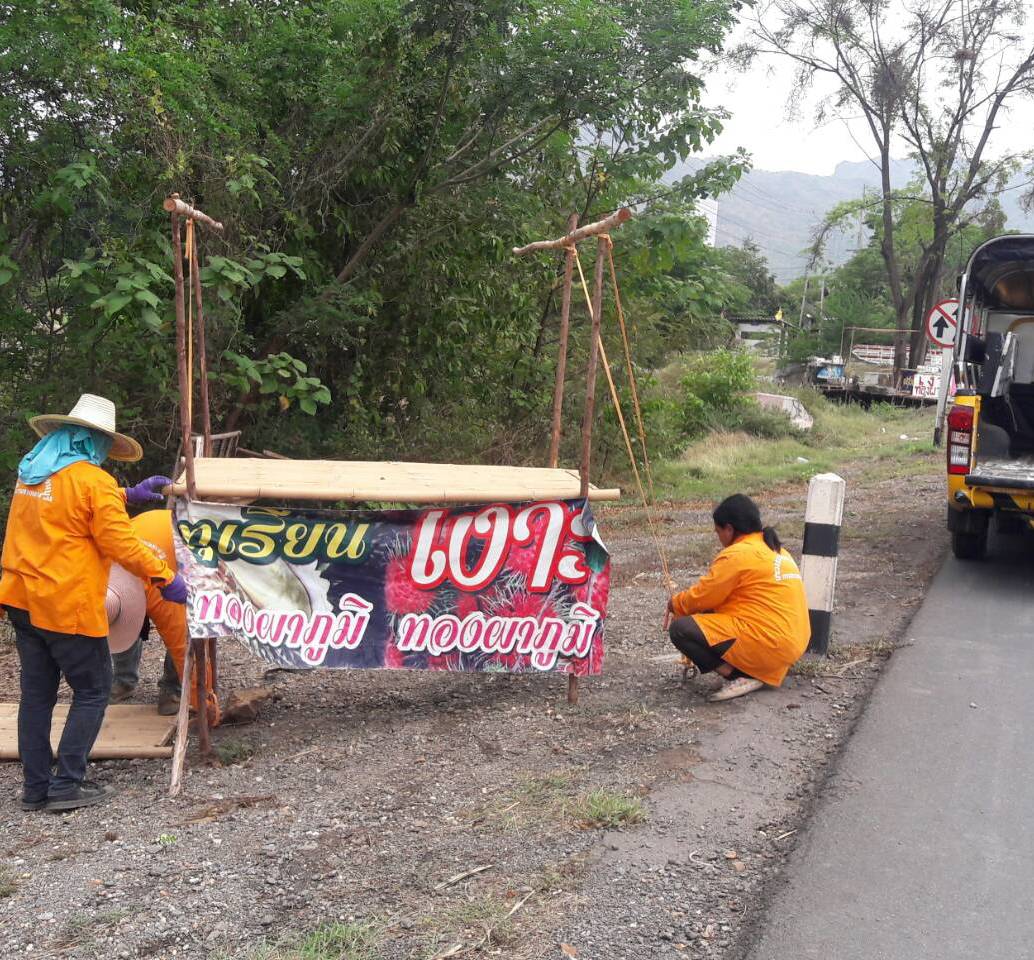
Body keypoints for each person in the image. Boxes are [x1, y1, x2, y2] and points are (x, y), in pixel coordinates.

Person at [0, 394, 186, 812]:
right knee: (93, 690)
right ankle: (67, 784)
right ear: (96, 441)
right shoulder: (93, 482)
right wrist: (164, 577)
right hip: (66, 604)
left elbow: (68, 507)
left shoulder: (32, 474)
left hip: (21, 599)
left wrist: (127, 494)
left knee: (37, 697)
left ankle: (35, 788)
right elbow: (121, 544)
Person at [667, 494, 810, 702]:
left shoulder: (737, 554)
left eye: (718, 532)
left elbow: (703, 596)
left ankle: (741, 675)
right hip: (794, 643)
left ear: (729, 529)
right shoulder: (778, 550)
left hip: (772, 643)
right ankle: (763, 667)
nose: (719, 538)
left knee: (681, 629)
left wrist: (675, 604)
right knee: (707, 614)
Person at [105, 509, 219, 726]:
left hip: (176, 545)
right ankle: (123, 680)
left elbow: (184, 648)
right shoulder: (100, 574)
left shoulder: (163, 596)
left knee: (185, 628)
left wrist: (204, 704)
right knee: (119, 616)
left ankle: (172, 688)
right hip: (145, 535)